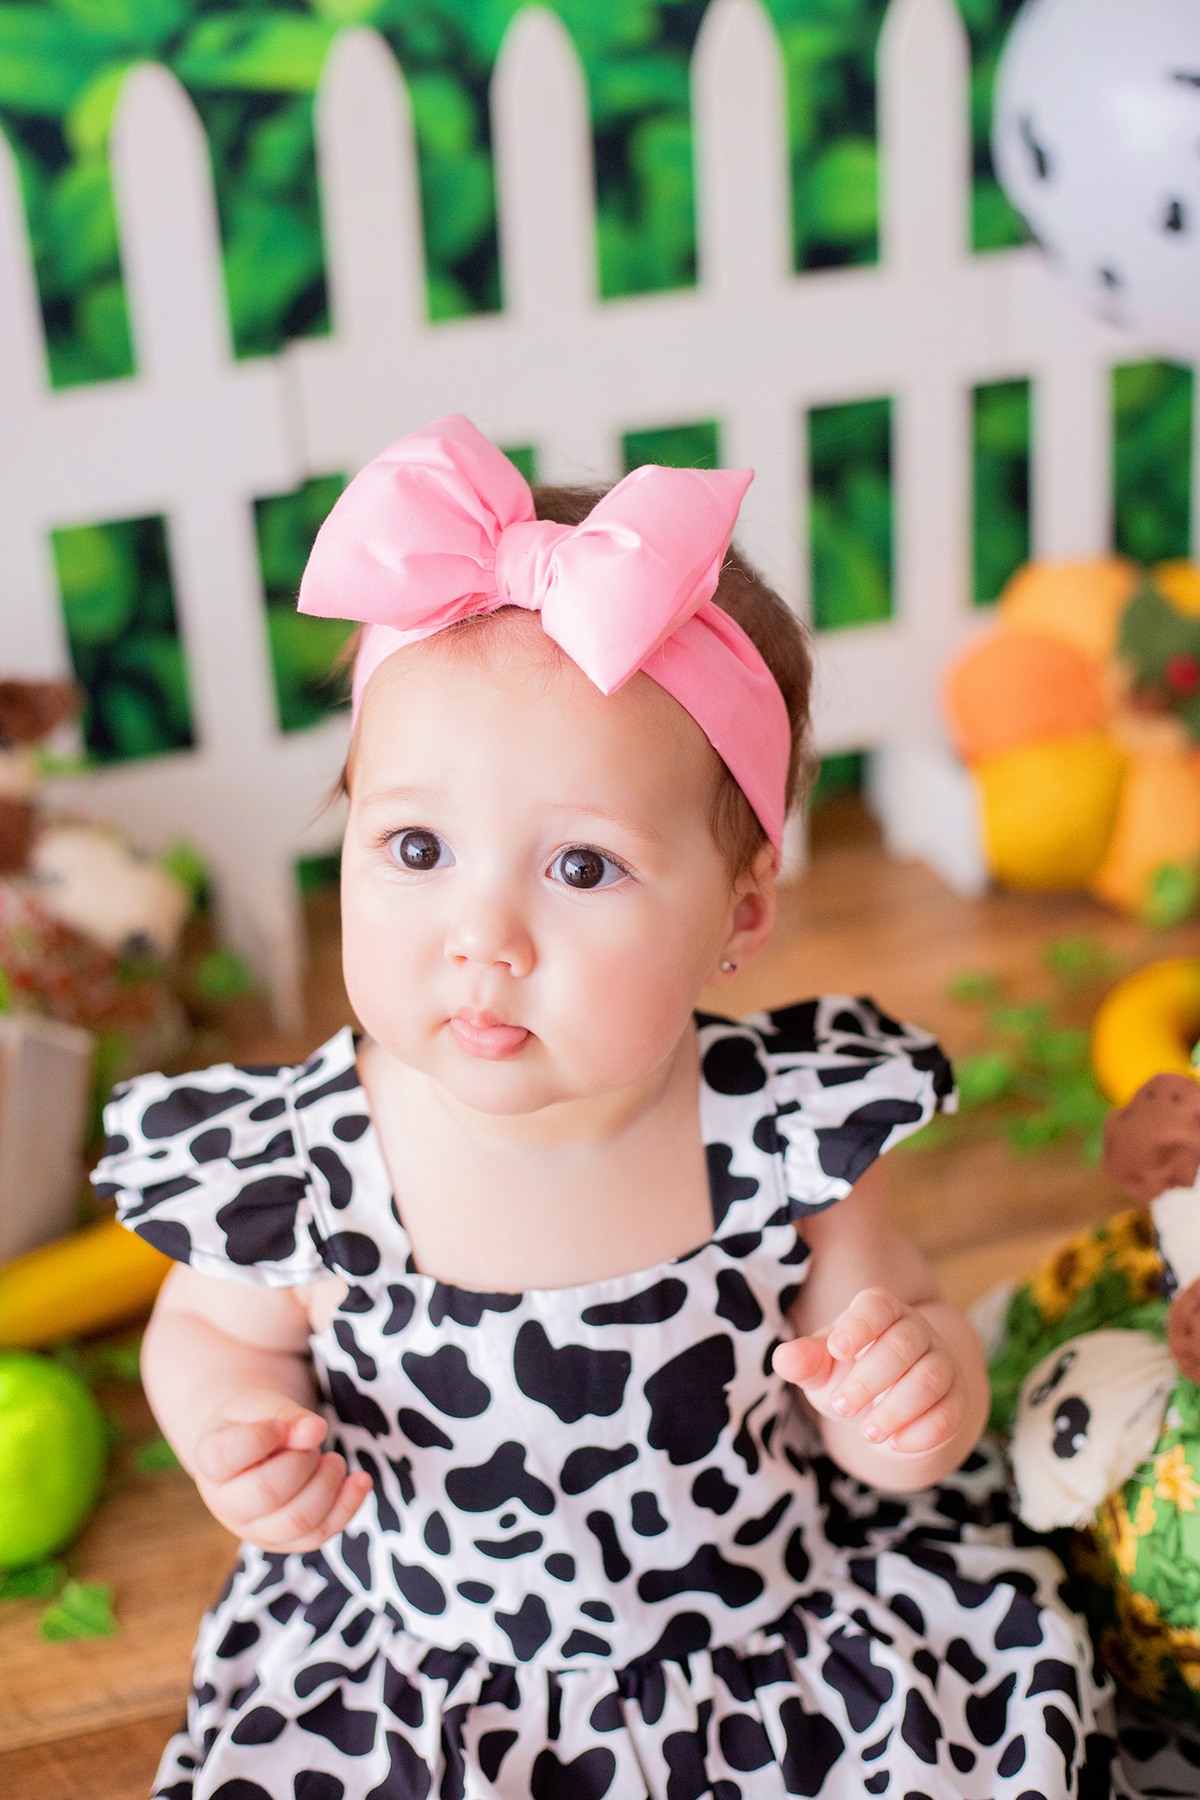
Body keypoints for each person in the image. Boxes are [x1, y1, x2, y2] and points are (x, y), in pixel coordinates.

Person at [96, 416, 1113, 1799]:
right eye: (414, 848)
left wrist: (912, 1397)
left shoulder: (783, 1138)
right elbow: (209, 1337)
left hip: (777, 1649)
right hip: (429, 1673)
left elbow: (887, 1379)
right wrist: (233, 1433)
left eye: (582, 867)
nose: (484, 935)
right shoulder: (301, 1169)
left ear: (741, 912)